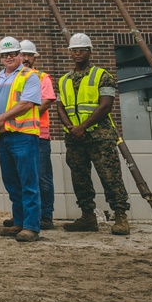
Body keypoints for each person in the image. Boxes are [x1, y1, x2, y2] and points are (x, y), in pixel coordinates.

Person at [56, 33, 131, 236]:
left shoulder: (102, 76)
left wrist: (83, 126)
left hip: (100, 136)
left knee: (110, 176)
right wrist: (72, 128)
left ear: (90, 51)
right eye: (74, 50)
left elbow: (105, 105)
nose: (77, 53)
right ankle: (87, 216)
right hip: (75, 138)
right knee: (79, 177)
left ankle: (121, 216)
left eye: (81, 49)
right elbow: (60, 107)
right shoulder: (64, 80)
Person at [0, 36, 42, 242]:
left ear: (20, 55)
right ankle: (19, 222)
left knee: (28, 182)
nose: (9, 57)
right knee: (12, 183)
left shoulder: (30, 76)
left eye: (12, 54)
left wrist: (1, 117)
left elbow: (27, 103)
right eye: (5, 55)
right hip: (3, 135)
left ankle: (31, 226)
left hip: (24, 136)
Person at [19, 39, 57, 230]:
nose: (25, 58)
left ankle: (46, 216)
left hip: (39, 134)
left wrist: (21, 114)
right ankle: (26, 216)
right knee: (22, 178)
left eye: (28, 55)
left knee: (42, 177)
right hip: (19, 132)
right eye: (22, 55)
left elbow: (46, 101)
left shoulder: (43, 78)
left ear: (35, 57)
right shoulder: (14, 78)